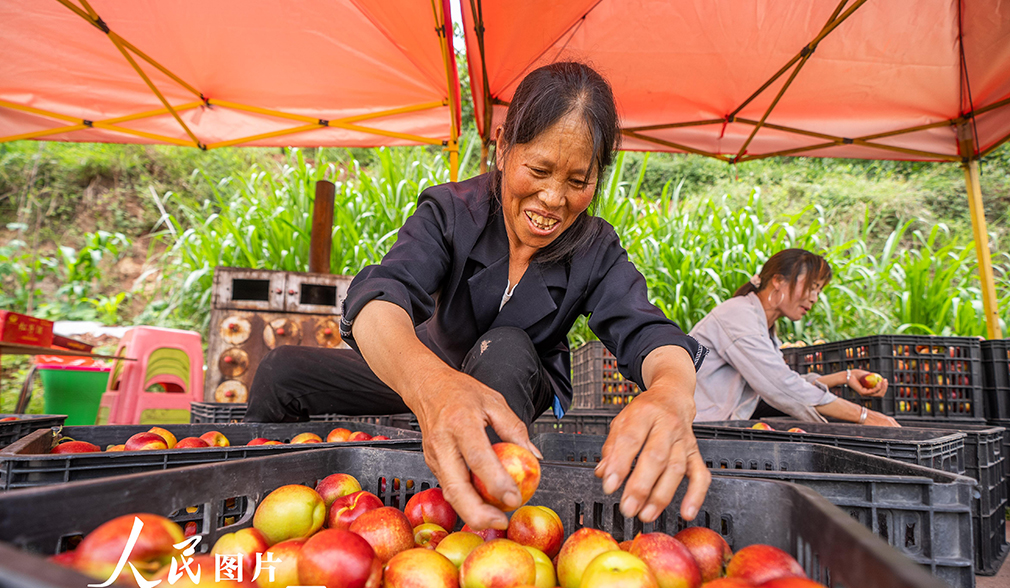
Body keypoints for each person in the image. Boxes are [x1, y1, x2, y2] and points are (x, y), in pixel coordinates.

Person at [246, 62, 711, 531]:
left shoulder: (596, 248)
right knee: (279, 371)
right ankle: (261, 503)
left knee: (504, 344)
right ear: (504, 146)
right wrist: (429, 384)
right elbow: (383, 296)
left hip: (519, 383)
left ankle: (476, 532)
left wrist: (671, 392)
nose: (553, 198)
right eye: (539, 170)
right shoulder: (452, 210)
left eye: (577, 181)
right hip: (427, 368)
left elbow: (647, 330)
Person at [690, 248, 900, 426]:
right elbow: (781, 386)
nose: (814, 298)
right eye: (812, 287)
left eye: (818, 290)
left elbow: (781, 381)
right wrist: (865, 417)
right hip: (696, 428)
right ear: (778, 281)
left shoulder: (763, 325)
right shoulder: (737, 317)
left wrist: (844, 376)